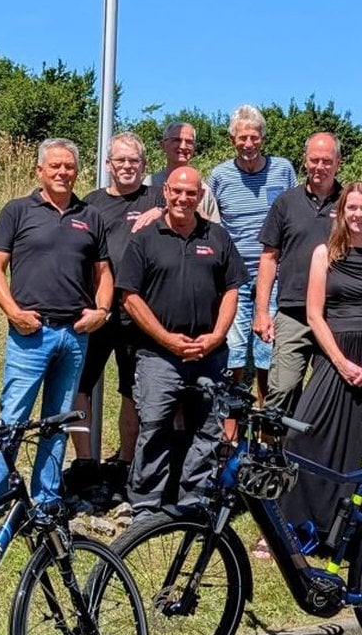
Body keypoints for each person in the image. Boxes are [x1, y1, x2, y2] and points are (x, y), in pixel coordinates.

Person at [0, 138, 112, 552]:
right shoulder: (17, 211)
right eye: (55, 166)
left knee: (57, 423)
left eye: (69, 166)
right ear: (39, 171)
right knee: (12, 422)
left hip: (74, 335)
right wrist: (14, 312)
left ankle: (47, 504)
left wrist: (102, 310)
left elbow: (104, 272)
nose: (63, 172)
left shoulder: (90, 216)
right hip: (30, 334)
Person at [279, 181, 362, 544]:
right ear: (341, 212)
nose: (358, 214)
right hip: (335, 356)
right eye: (352, 207)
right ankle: (304, 525)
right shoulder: (324, 253)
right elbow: (313, 314)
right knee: (304, 436)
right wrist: (339, 361)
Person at [117, 166, 248, 519]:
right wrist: (167, 339)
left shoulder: (217, 237)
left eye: (191, 193)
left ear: (200, 196)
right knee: (154, 427)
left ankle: (195, 502)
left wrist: (217, 336)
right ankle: (146, 506)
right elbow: (129, 296)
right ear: (166, 192)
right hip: (159, 355)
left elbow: (232, 290)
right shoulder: (145, 238)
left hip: (209, 354)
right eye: (177, 191)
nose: (183, 198)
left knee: (207, 430)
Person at [67, 132, 162, 505]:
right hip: (96, 310)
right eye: (120, 160)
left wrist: (162, 211)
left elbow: (194, 210)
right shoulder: (90, 204)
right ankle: (85, 463)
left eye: (133, 160)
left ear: (144, 164)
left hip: (138, 312)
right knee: (80, 384)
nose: (126, 166)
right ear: (108, 164)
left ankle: (125, 463)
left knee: (131, 390)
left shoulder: (156, 197)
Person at [208, 105, 296, 404]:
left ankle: (265, 418)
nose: (248, 144)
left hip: (273, 274)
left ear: (263, 138)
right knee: (233, 349)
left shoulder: (282, 170)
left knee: (267, 350)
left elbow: (295, 214)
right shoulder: (220, 176)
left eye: (254, 137)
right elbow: (211, 223)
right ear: (232, 139)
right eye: (242, 137)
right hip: (234, 275)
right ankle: (231, 418)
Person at [253, 131, 343, 414]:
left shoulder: (349, 204)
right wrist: (262, 312)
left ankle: (314, 442)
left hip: (336, 312)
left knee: (329, 392)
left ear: (338, 163)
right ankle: (272, 442)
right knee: (283, 389)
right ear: (305, 160)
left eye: (326, 161)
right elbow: (269, 258)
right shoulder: (285, 202)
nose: (320, 167)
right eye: (314, 160)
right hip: (293, 311)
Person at [145, 120, 220, 222]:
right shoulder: (148, 184)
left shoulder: (203, 190)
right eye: (176, 140)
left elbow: (214, 227)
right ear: (162, 145)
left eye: (189, 142)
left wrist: (200, 216)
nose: (183, 146)